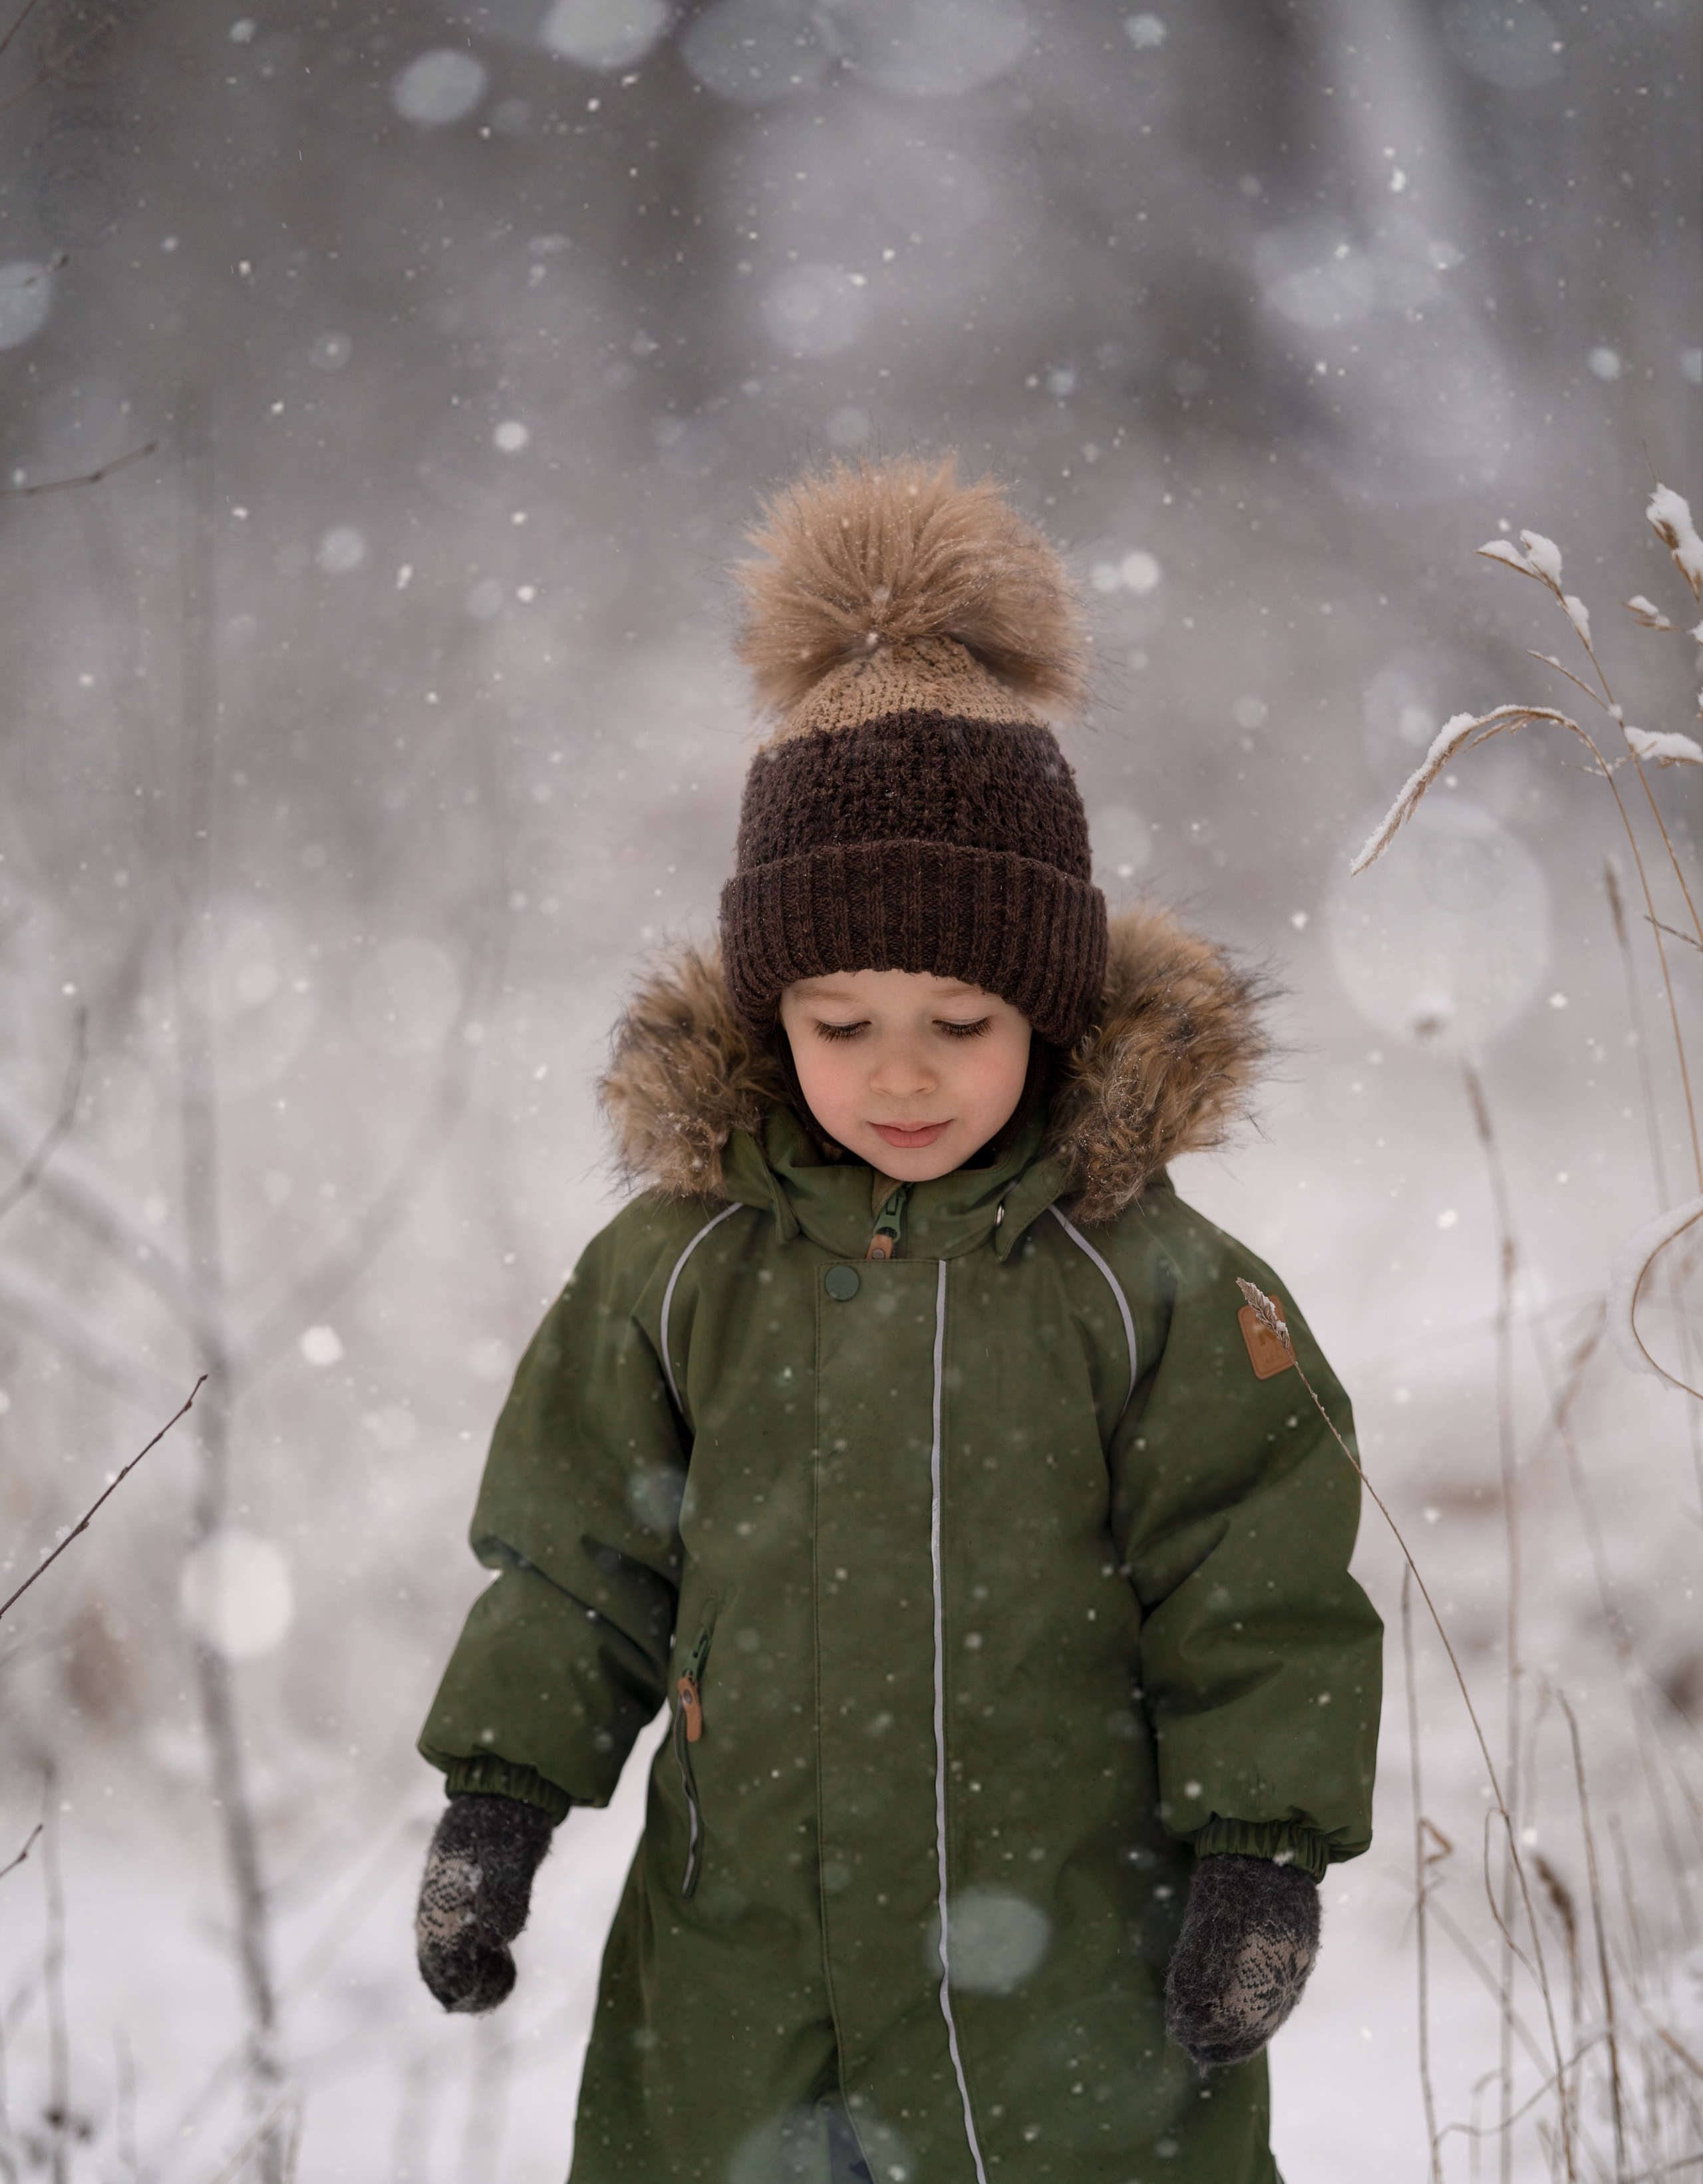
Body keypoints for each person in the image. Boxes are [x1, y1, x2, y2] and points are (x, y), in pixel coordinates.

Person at [413, 455, 1382, 2184]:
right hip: (744, 1980)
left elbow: (1258, 1581)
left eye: (961, 1011)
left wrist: (1264, 1848)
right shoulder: (678, 1270)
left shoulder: (1149, 1283)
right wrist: (499, 1798)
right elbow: (579, 1562)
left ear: (1054, 999)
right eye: (839, 1018)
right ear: (768, 1004)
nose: (902, 1070)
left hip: (1063, 1984)